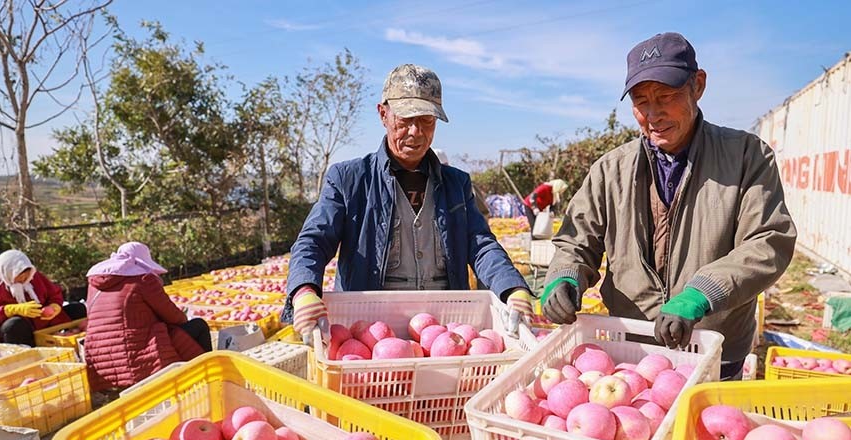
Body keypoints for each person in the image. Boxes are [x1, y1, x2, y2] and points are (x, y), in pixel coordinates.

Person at [541, 32, 796, 380]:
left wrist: (701, 293)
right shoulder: (610, 169)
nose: (653, 113)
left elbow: (768, 240)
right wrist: (564, 275)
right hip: (633, 350)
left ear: (698, 85)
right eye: (640, 100)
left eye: (666, 96)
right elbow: (576, 241)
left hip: (712, 348)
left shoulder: (746, 157)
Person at [285, 64, 534, 336]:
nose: (416, 132)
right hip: (369, 328)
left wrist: (512, 288)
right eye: (405, 119)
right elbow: (314, 240)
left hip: (443, 329)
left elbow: (480, 244)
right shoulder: (349, 179)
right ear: (383, 114)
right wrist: (305, 290)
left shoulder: (456, 183)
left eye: (426, 120)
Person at [83, 242, 212, 392]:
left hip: (99, 361)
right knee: (198, 325)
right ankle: (208, 372)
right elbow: (174, 317)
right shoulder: (143, 280)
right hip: (136, 357)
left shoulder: (94, 285)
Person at [0, 249, 86, 346]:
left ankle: (68, 340)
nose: (24, 280)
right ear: (8, 273)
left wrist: (54, 307)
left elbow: (54, 294)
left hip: (43, 323)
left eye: (26, 277)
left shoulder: (34, 277)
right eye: (20, 277)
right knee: (13, 325)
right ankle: (30, 350)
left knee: (78, 309)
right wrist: (13, 310)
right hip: (16, 331)